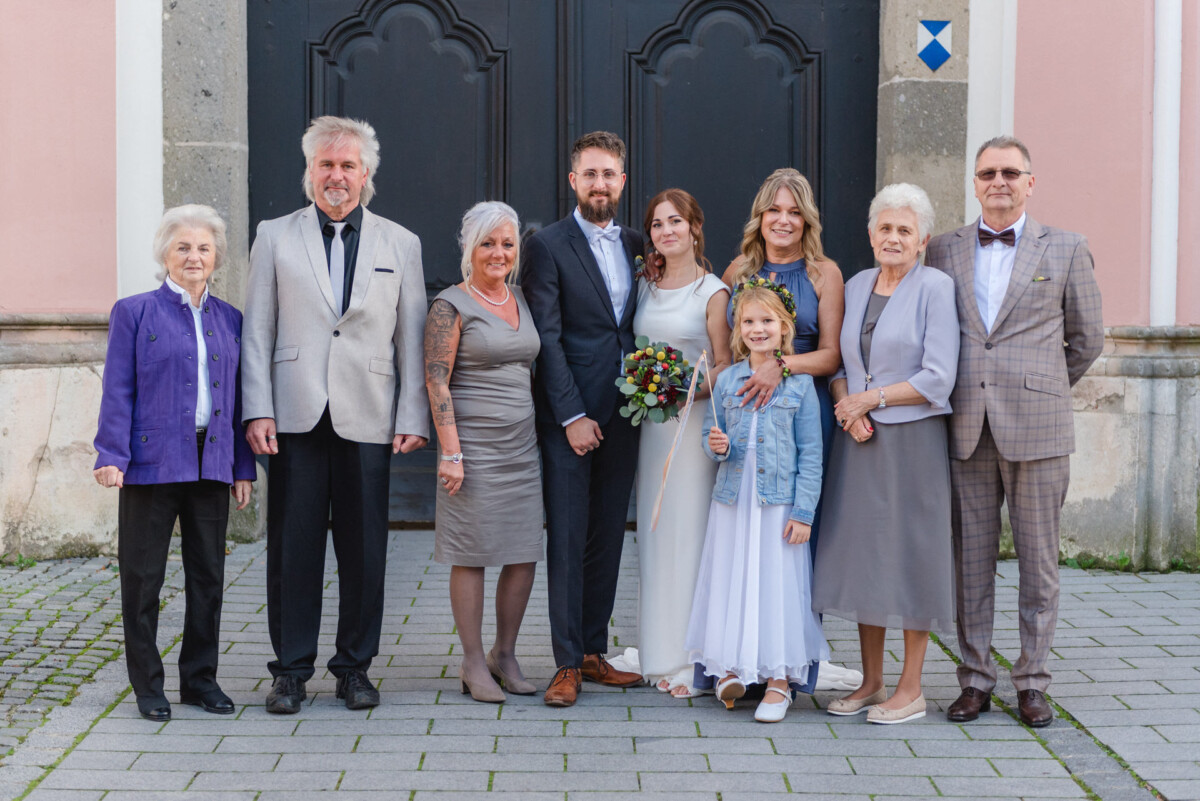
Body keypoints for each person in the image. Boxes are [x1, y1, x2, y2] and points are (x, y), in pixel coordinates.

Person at [241, 116, 429, 714]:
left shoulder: (400, 243)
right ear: (309, 172)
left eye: (348, 165)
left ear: (366, 174)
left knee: (365, 549)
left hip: (368, 414)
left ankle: (354, 668)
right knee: (292, 549)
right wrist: (257, 409)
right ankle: (290, 671)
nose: (336, 176)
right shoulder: (274, 235)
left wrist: (413, 412)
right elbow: (257, 330)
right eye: (326, 164)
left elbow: (413, 335)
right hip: (293, 415)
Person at [926, 136, 1103, 728]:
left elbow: (1087, 339)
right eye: (987, 172)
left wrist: (1044, 386)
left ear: (1031, 181)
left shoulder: (1069, 248)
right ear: (974, 183)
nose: (997, 181)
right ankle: (974, 679)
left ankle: (1031, 681)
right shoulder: (942, 248)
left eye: (1010, 171)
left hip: (1039, 429)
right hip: (965, 428)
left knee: (1038, 564)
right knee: (968, 564)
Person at [93, 205, 255, 722]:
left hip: (211, 462)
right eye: (183, 247)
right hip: (148, 463)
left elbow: (241, 396)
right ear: (165, 252)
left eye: (203, 248)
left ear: (217, 258)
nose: (193, 256)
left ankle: (200, 680)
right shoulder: (134, 312)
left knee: (208, 576)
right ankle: (147, 686)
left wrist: (243, 467)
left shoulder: (230, 319)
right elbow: (118, 386)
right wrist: (111, 454)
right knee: (143, 578)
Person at [812, 183, 960, 725]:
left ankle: (912, 688)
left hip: (913, 438)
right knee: (863, 555)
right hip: (859, 440)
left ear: (922, 240)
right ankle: (872, 681)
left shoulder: (936, 287)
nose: (893, 237)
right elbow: (839, 364)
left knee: (911, 554)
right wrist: (846, 408)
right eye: (885, 228)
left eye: (905, 230)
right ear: (870, 234)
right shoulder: (855, 283)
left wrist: (869, 399)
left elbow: (939, 376)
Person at [520, 131, 644, 706]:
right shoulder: (546, 245)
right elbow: (546, 335)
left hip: (629, 413)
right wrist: (570, 414)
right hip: (569, 416)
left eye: (609, 174)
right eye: (589, 174)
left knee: (608, 536)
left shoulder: (642, 245)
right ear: (573, 182)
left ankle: (594, 650)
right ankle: (565, 661)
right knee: (568, 537)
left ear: (622, 181)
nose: (599, 184)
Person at [722, 167, 856, 693]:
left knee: (795, 538)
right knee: (745, 538)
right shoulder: (737, 270)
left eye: (793, 211)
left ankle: (788, 668)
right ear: (760, 216)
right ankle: (740, 659)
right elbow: (728, 346)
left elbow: (832, 353)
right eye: (774, 210)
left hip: (802, 412)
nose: (783, 220)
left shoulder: (825, 273)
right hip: (745, 417)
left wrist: (783, 364)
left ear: (807, 220)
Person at [685, 283, 830, 724]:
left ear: (784, 329)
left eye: (767, 321)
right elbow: (716, 442)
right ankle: (731, 666)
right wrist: (718, 446)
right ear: (737, 328)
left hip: (777, 504)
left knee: (776, 586)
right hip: (733, 501)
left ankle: (780, 681)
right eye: (749, 321)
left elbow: (812, 454)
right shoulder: (727, 380)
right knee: (734, 578)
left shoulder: (800, 384)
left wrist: (804, 513)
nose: (757, 329)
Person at [424, 201, 542, 704]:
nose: (499, 253)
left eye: (508, 243)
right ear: (469, 248)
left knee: (522, 551)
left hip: (523, 446)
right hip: (471, 447)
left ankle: (505, 653)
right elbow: (436, 380)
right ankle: (472, 661)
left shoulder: (522, 296)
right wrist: (451, 451)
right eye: (488, 243)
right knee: (470, 552)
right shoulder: (451, 305)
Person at [632, 189, 731, 698]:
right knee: (652, 535)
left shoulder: (712, 293)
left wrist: (680, 390)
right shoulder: (644, 285)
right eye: (656, 224)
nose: (666, 231)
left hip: (691, 428)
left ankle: (692, 659)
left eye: (675, 222)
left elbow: (724, 364)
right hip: (651, 428)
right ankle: (658, 650)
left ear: (694, 227)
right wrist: (649, 389)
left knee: (687, 534)